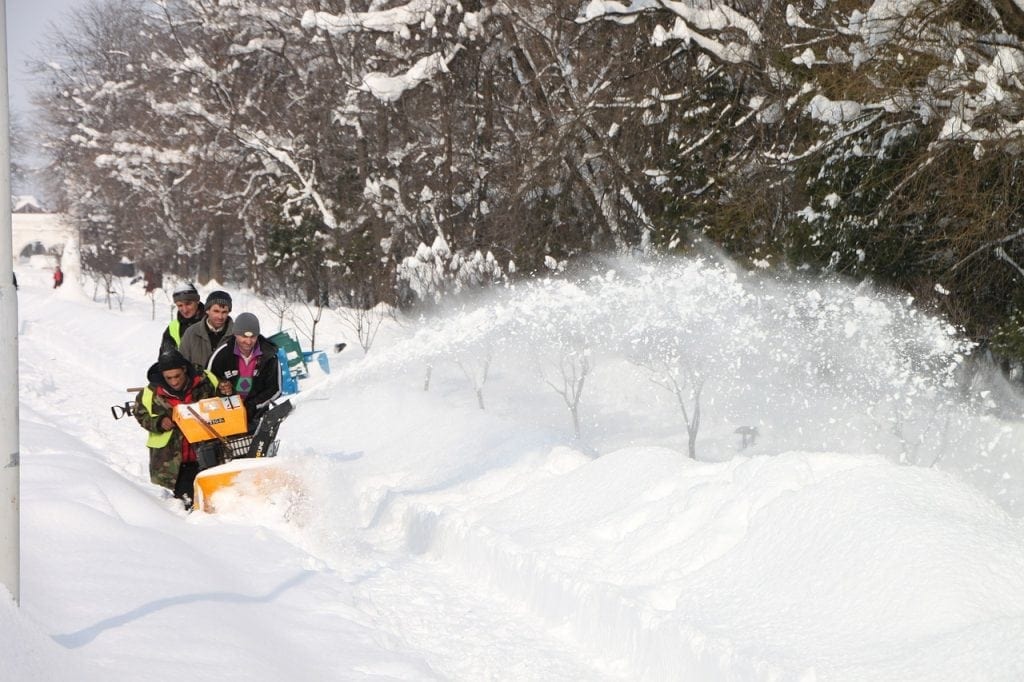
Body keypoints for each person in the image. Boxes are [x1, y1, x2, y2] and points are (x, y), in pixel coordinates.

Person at [133, 349, 218, 508]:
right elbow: (140, 413)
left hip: (207, 456)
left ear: (184, 369)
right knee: (187, 506)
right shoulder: (150, 393)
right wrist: (158, 422)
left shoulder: (206, 382)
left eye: (177, 376)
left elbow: (224, 403)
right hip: (174, 465)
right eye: (169, 378)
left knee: (215, 502)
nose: (174, 382)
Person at [208, 312, 281, 430]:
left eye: (252, 337)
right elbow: (207, 381)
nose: (248, 341)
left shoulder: (269, 355)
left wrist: (251, 406)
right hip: (226, 416)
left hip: (257, 416)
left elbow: (275, 389)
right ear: (235, 334)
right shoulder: (222, 354)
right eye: (244, 336)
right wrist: (220, 388)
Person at [179, 290, 234, 370]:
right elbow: (181, 363)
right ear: (207, 310)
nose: (220, 317)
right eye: (216, 311)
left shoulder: (237, 334)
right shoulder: (191, 333)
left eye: (224, 312)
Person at [159, 283, 205, 356]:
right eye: (180, 305)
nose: (185, 310)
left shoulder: (214, 322)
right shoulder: (173, 327)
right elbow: (166, 359)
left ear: (197, 301)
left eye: (188, 304)